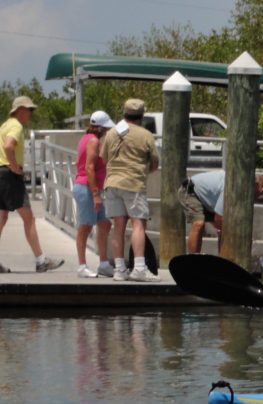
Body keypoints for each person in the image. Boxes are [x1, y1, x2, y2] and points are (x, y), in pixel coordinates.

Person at [0, 95, 63, 273]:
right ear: (20, 110)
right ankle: (41, 261)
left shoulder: (4, 125)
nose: (31, 113)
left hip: (0, 174)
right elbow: (8, 146)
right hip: (9, 175)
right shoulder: (16, 126)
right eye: (29, 110)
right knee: (29, 219)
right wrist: (14, 167)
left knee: (2, 218)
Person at [99, 98, 159, 282]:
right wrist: (143, 170)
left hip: (112, 183)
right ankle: (140, 269)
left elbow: (103, 158)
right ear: (141, 115)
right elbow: (155, 163)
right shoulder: (145, 135)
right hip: (133, 184)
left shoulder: (111, 133)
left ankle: (119, 270)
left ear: (124, 113)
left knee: (118, 226)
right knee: (138, 224)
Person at [178, 170, 263, 254]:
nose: (256, 197)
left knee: (224, 229)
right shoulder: (231, 187)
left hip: (208, 199)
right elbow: (219, 218)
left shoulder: (240, 189)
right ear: (254, 186)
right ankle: (193, 261)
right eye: (257, 194)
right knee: (198, 224)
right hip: (190, 191)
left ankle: (223, 261)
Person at [73, 110, 115, 278]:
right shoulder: (94, 141)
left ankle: (104, 263)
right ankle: (82, 266)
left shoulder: (86, 138)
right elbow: (89, 167)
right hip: (87, 189)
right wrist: (96, 194)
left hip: (90, 188)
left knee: (104, 223)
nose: (106, 131)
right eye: (105, 128)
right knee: (85, 227)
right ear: (101, 128)